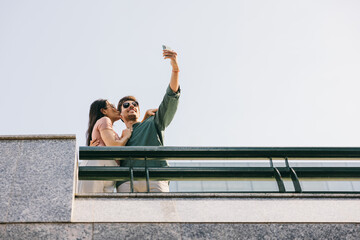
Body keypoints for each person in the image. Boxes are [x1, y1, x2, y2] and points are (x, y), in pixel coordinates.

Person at [116, 48, 180, 193]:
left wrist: (175, 70)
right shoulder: (117, 138)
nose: (131, 106)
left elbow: (170, 98)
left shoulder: (153, 123)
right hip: (127, 180)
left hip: (156, 177)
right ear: (120, 114)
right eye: (126, 105)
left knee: (161, 215)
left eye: (135, 104)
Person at [78, 99, 156, 193]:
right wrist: (125, 137)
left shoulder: (113, 132)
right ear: (104, 111)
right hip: (99, 168)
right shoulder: (104, 120)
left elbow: (132, 130)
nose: (116, 109)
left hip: (108, 172)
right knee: (89, 203)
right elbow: (113, 146)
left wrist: (145, 118)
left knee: (96, 205)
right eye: (112, 106)